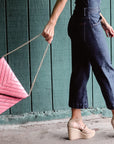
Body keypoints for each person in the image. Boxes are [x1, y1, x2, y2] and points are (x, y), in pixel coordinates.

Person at [42, 0, 114, 140]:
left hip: (82, 21)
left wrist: (103, 21)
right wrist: (52, 22)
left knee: (80, 70)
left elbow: (87, 4)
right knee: (105, 69)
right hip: (89, 23)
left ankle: (76, 120)